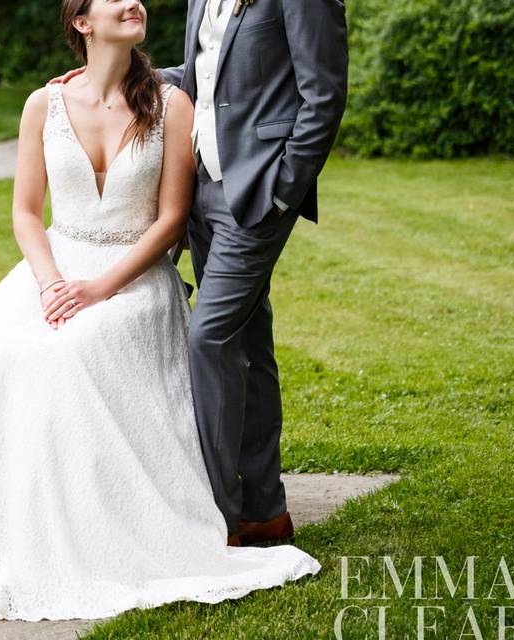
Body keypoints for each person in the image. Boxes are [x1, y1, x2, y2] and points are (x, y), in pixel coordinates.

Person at [0, 0, 321, 623]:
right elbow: (24, 214)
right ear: (81, 23)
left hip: (133, 276)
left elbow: (173, 218)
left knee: (72, 351)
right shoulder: (44, 104)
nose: (135, 2)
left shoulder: (172, 106)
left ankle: (125, 520)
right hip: (54, 270)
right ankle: (3, 530)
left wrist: (100, 289)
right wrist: (49, 283)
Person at [59, 0, 349, 546]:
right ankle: (265, 511)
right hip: (204, 190)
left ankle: (213, 514)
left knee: (208, 338)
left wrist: (285, 189)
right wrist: (110, 73)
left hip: (260, 190)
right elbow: (200, 76)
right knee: (249, 342)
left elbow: (324, 93)